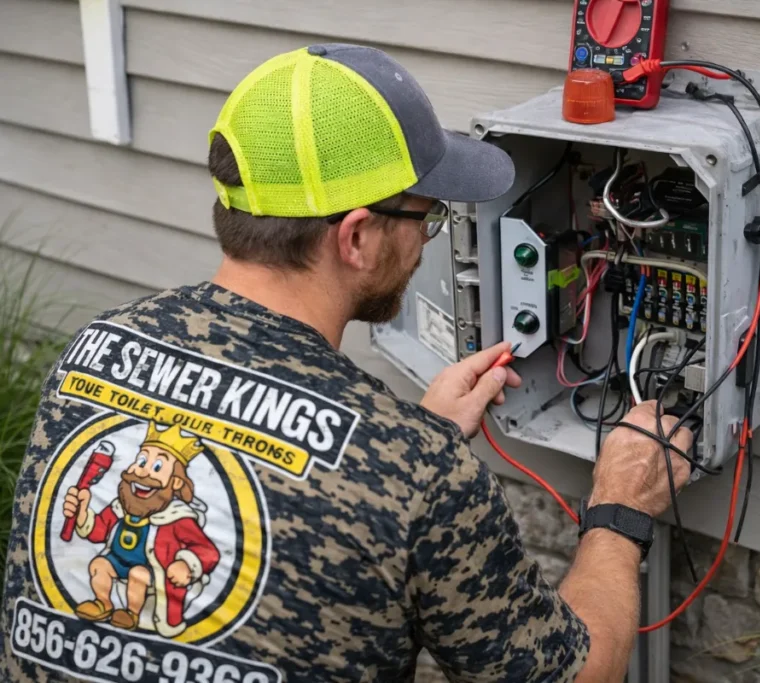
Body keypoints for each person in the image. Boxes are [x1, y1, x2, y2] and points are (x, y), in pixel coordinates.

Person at [0, 43, 692, 682]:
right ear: (357, 237)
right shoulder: (415, 473)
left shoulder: (97, 348)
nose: (426, 240)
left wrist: (414, 444)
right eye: (428, 217)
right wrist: (619, 506)